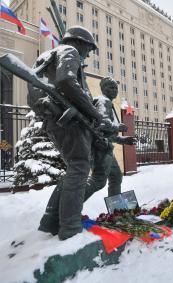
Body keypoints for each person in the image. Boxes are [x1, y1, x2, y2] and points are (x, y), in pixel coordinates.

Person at [34, 26, 103, 240]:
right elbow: (66, 80)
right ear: (79, 43)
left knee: (74, 169)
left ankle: (50, 219)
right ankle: (70, 227)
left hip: (56, 119)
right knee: (80, 168)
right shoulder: (68, 52)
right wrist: (93, 111)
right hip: (68, 121)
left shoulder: (47, 58)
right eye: (89, 48)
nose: (88, 53)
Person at [84, 77, 136, 202]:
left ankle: (116, 209)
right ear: (103, 89)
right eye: (111, 87)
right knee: (98, 180)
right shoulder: (104, 101)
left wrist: (124, 140)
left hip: (105, 148)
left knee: (116, 176)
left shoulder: (107, 103)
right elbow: (101, 122)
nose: (114, 90)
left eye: (116, 88)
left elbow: (106, 133)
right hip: (99, 149)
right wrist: (116, 126)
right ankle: (69, 209)